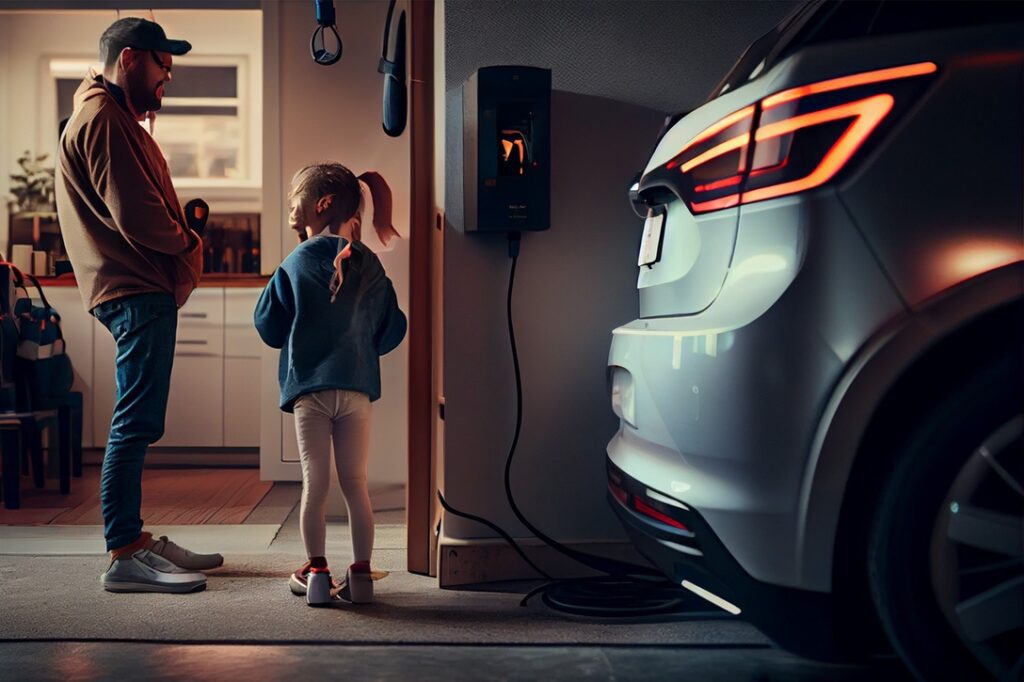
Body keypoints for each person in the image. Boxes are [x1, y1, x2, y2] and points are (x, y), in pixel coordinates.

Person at [55, 17, 223, 593]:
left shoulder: (106, 115)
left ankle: (135, 537)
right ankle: (124, 551)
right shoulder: (104, 118)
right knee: (134, 423)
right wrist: (190, 243)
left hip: (132, 287)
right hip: (136, 288)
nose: (167, 78)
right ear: (129, 59)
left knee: (138, 420)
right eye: (161, 66)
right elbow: (138, 216)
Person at [255, 163, 406, 606]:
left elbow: (266, 326)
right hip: (356, 391)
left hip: (310, 392)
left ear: (320, 205)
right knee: (356, 484)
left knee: (314, 486)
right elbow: (393, 329)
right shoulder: (370, 264)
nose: (290, 211)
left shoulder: (293, 264)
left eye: (294, 204)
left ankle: (317, 574)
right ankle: (361, 577)